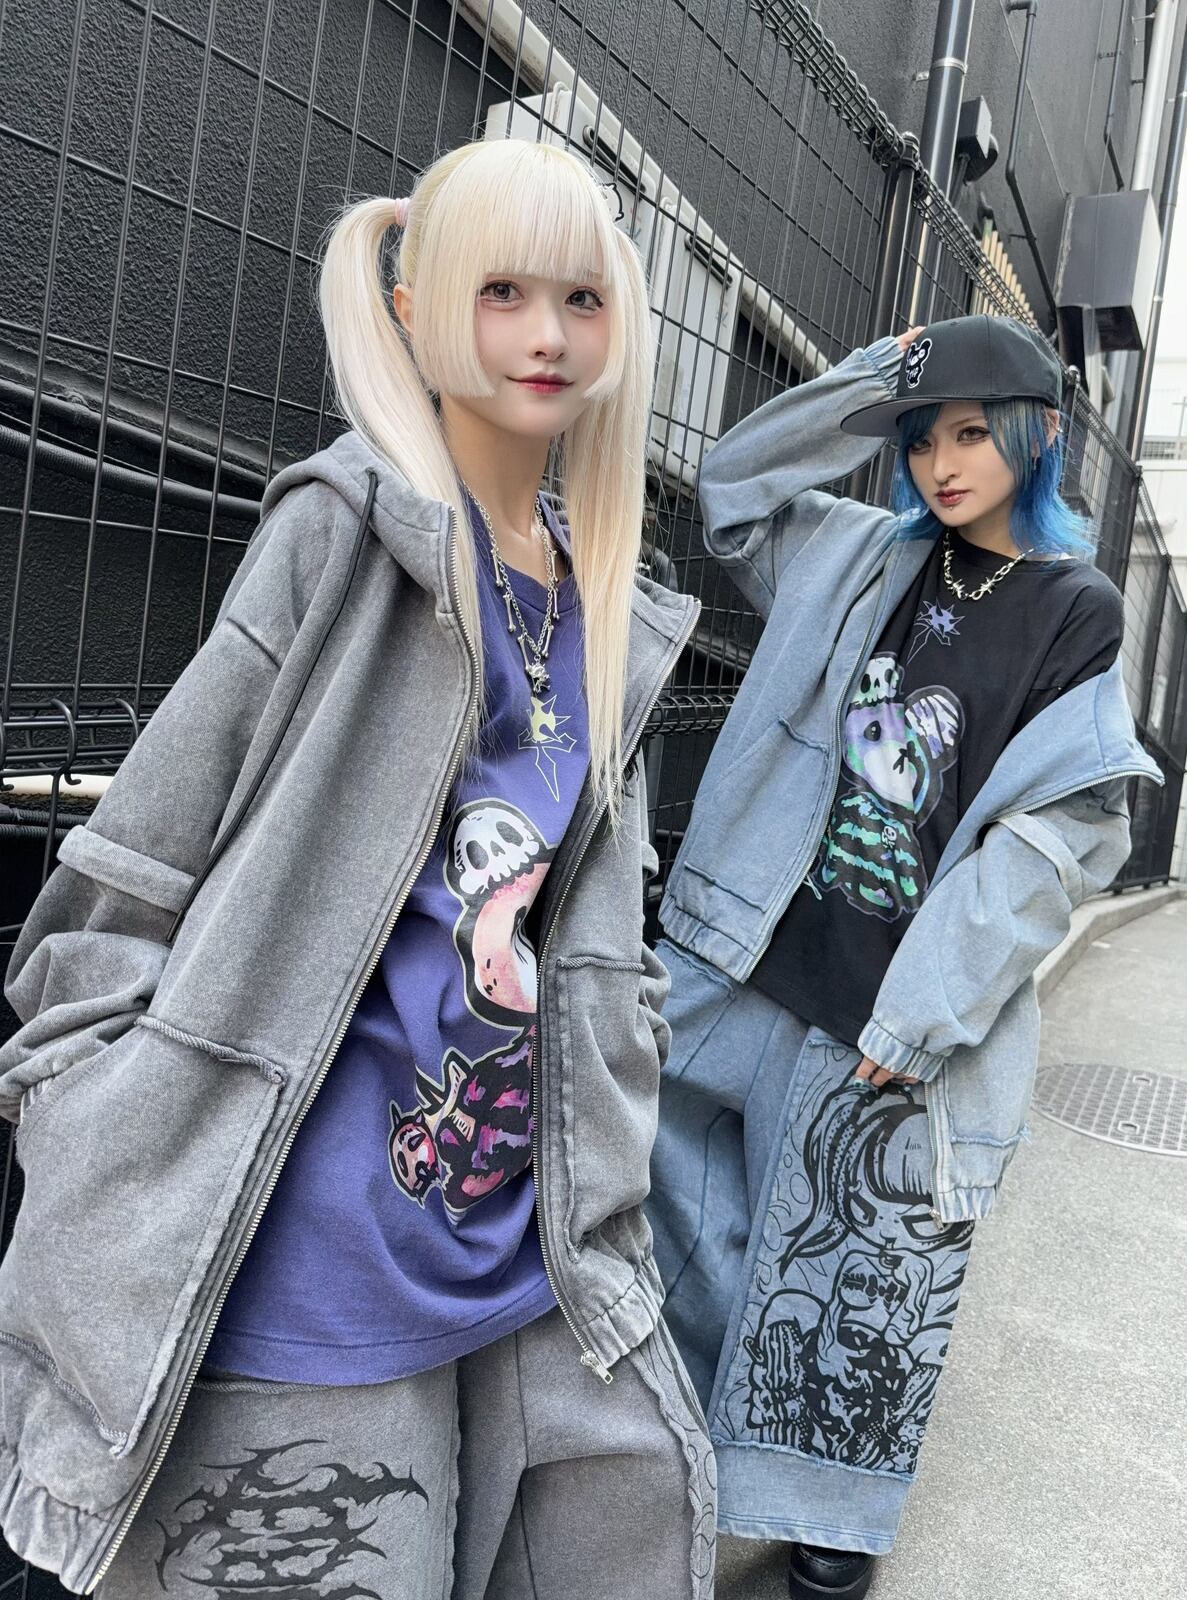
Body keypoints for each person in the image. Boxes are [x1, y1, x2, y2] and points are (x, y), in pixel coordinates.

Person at [0, 138, 716, 1599]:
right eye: (501, 291)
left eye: (581, 298)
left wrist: (617, 1092)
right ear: (410, 304)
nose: (545, 333)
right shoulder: (343, 534)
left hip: (526, 1259)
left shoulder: (609, 611)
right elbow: (127, 869)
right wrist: (100, 1127)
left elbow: (603, 938)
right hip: (299, 1266)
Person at [644, 314, 1162, 1599]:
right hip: (739, 949)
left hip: (885, 1006)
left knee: (851, 1266)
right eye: (923, 438)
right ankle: (676, 1456)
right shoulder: (857, 551)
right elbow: (733, 485)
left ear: (1038, 434)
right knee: (674, 1206)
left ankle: (824, 1524)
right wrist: (879, 376)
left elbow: (1055, 841)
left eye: (973, 432)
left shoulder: (1076, 609)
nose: (942, 462)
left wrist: (927, 1007)